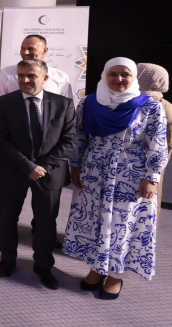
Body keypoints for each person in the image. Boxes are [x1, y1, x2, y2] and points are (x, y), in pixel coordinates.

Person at [64, 58, 168, 299]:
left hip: (130, 177)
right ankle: (95, 269)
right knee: (94, 221)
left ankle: (115, 275)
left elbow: (158, 144)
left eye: (125, 75)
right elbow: (79, 136)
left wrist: (152, 178)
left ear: (134, 78)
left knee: (122, 226)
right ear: (104, 75)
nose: (119, 79)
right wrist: (75, 166)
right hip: (94, 173)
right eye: (113, 74)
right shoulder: (89, 102)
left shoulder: (150, 107)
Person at [0, 59, 76, 290]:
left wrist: (43, 166)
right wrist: (27, 166)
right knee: (8, 218)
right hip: (13, 169)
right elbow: (1, 138)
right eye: (21, 75)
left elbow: (70, 141)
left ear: (45, 78)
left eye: (31, 76)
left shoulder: (64, 104)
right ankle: (7, 260)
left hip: (49, 173)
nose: (25, 80)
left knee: (46, 223)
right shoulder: (4, 102)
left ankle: (43, 266)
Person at [0, 35, 75, 100]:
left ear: (45, 50)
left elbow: (66, 108)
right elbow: (0, 105)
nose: (25, 52)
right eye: (22, 48)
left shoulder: (60, 77)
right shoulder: (7, 73)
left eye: (31, 49)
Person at [138, 63, 172, 209]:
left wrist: (153, 175)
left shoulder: (163, 106)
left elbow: (168, 143)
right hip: (130, 164)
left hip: (151, 165)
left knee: (147, 202)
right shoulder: (130, 100)